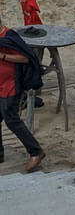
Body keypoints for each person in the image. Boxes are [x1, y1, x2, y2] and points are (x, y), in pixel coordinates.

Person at [0, 16, 45, 172]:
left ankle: (36, 151)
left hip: (10, 86)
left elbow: (26, 58)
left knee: (11, 120)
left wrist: (2, 56)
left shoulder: (9, 38)